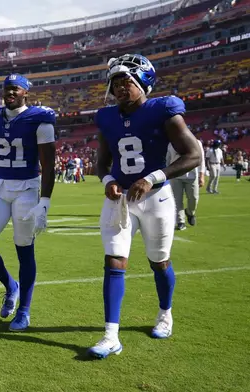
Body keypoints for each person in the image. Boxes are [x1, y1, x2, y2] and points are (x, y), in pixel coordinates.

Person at [89, 54, 201, 359]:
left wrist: (152, 178)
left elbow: (193, 154)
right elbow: (102, 161)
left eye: (126, 80)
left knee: (159, 261)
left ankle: (165, 313)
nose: (120, 87)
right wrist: (108, 179)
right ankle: (111, 335)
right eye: (115, 82)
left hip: (156, 198)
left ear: (143, 82)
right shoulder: (107, 117)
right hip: (121, 199)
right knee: (114, 261)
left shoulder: (163, 110)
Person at [0, 74, 57, 332]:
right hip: (0, 186)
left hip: (27, 188)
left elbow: (48, 165)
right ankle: (11, 286)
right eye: (7, 89)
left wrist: (45, 201)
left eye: (15, 89)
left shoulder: (39, 118)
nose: (10, 93)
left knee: (24, 248)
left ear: (26, 93)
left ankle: (24, 310)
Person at [167, 139, 205, 230]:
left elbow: (201, 159)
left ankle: (190, 212)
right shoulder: (171, 143)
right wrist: (167, 174)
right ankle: (180, 221)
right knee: (177, 200)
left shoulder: (196, 142)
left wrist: (202, 175)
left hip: (192, 175)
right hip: (175, 175)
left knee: (194, 198)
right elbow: (168, 159)